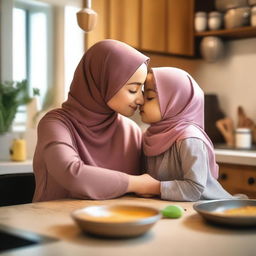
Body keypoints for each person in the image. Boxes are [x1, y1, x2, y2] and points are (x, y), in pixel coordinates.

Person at [33, 39, 159, 202]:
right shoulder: (55, 124)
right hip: (53, 224)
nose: (141, 100)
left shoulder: (131, 131)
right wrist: (138, 183)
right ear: (102, 81)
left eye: (141, 90)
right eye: (133, 89)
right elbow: (71, 173)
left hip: (116, 222)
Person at [140, 67, 233, 201]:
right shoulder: (149, 136)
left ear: (174, 101)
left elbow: (194, 189)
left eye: (149, 97)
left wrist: (152, 187)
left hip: (210, 208)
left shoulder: (189, 138)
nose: (141, 101)